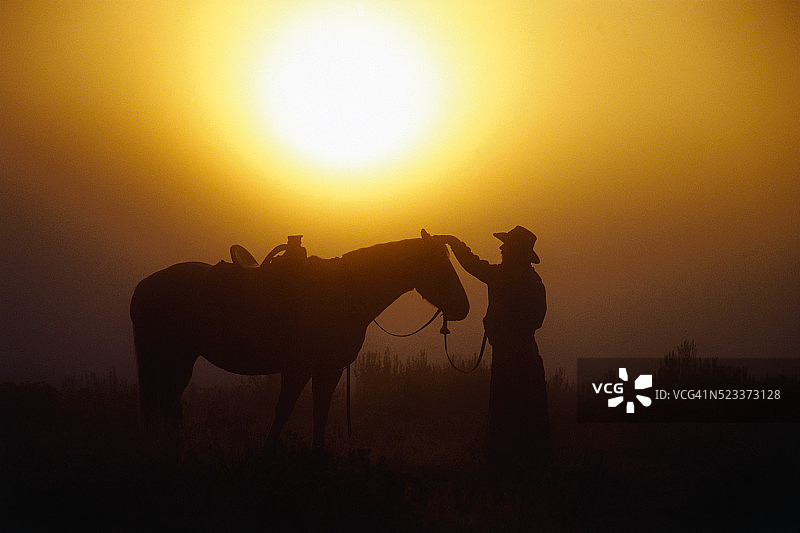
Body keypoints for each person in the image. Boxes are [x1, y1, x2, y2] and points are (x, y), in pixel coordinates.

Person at [439, 226, 548, 470]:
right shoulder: (525, 279)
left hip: (515, 358)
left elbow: (474, 265)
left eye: (506, 245)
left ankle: (509, 467)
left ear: (515, 251)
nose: (501, 248)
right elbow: (473, 264)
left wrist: (453, 240)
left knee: (509, 414)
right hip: (521, 355)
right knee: (522, 416)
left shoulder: (513, 278)